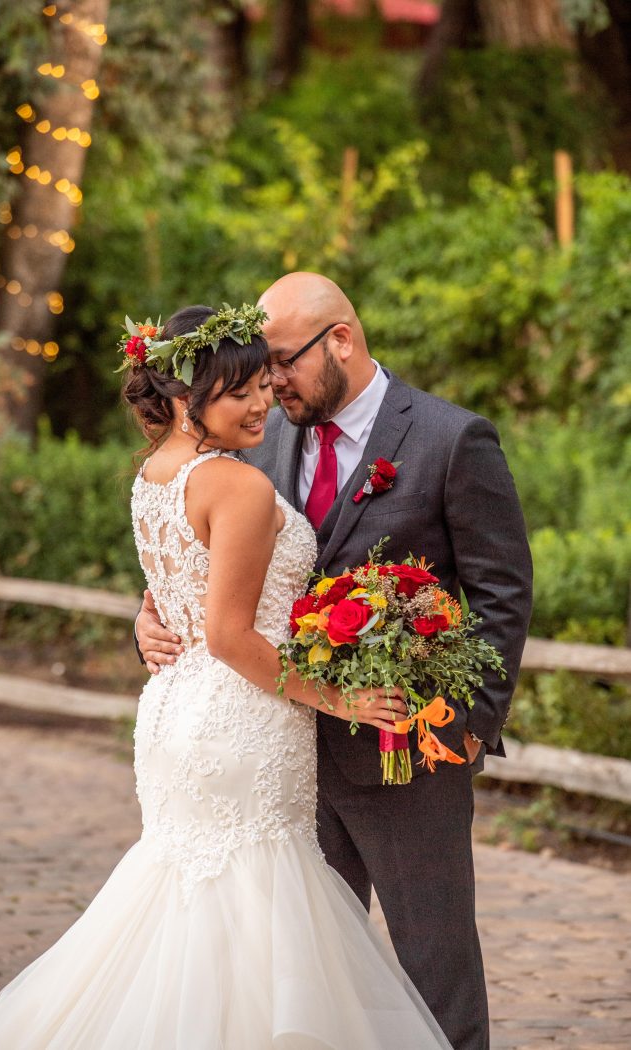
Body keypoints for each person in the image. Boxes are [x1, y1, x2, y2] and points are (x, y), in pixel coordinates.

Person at [0, 303, 453, 1050]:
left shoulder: (154, 473)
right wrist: (341, 697)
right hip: (240, 720)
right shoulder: (237, 486)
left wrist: (150, 619)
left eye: (262, 385)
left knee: (188, 911)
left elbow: (178, 592)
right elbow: (226, 634)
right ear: (188, 397)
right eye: (239, 390)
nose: (261, 403)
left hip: (176, 714)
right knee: (256, 913)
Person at [136, 274, 534, 1050]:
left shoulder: (452, 440)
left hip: (403, 752)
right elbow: (206, 561)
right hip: (278, 751)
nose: (268, 382)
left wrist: (466, 726)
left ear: (340, 341)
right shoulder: (261, 432)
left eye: (280, 360)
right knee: (296, 981)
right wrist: (149, 615)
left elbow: (502, 594)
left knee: (434, 965)